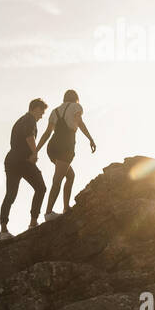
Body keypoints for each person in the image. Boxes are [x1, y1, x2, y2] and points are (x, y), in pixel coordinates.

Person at [36, 89, 96, 220]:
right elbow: (80, 123)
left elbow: (47, 133)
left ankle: (65, 207)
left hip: (52, 147)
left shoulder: (54, 111)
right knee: (57, 179)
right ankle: (48, 212)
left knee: (70, 175)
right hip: (65, 146)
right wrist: (90, 139)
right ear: (76, 98)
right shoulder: (76, 107)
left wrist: (37, 150)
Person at [0, 98, 47, 239]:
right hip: (22, 161)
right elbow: (29, 136)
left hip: (11, 160)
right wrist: (34, 153)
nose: (42, 115)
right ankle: (33, 223)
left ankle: (3, 230)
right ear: (35, 108)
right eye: (41, 112)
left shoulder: (21, 120)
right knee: (41, 188)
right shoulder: (29, 120)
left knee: (11, 195)